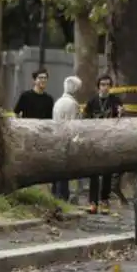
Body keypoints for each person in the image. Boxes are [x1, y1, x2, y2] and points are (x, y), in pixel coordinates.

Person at [13, 69, 59, 197]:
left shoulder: (49, 99)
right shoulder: (25, 96)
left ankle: (42, 191)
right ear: (34, 80)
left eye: (45, 78)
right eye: (40, 78)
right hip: (27, 133)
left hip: (43, 135)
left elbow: (50, 119)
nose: (43, 80)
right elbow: (16, 113)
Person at [83, 74, 124, 215]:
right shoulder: (92, 101)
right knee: (93, 172)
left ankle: (104, 201)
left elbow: (120, 118)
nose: (105, 87)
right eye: (102, 84)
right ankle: (92, 202)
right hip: (94, 141)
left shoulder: (115, 101)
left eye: (107, 84)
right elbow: (85, 119)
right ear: (98, 86)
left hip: (109, 140)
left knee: (107, 172)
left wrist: (120, 113)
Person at [52, 76, 83, 204]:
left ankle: (55, 194)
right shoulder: (73, 104)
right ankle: (63, 196)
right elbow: (74, 124)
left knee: (56, 169)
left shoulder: (58, 102)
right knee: (65, 170)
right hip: (67, 139)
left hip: (56, 137)